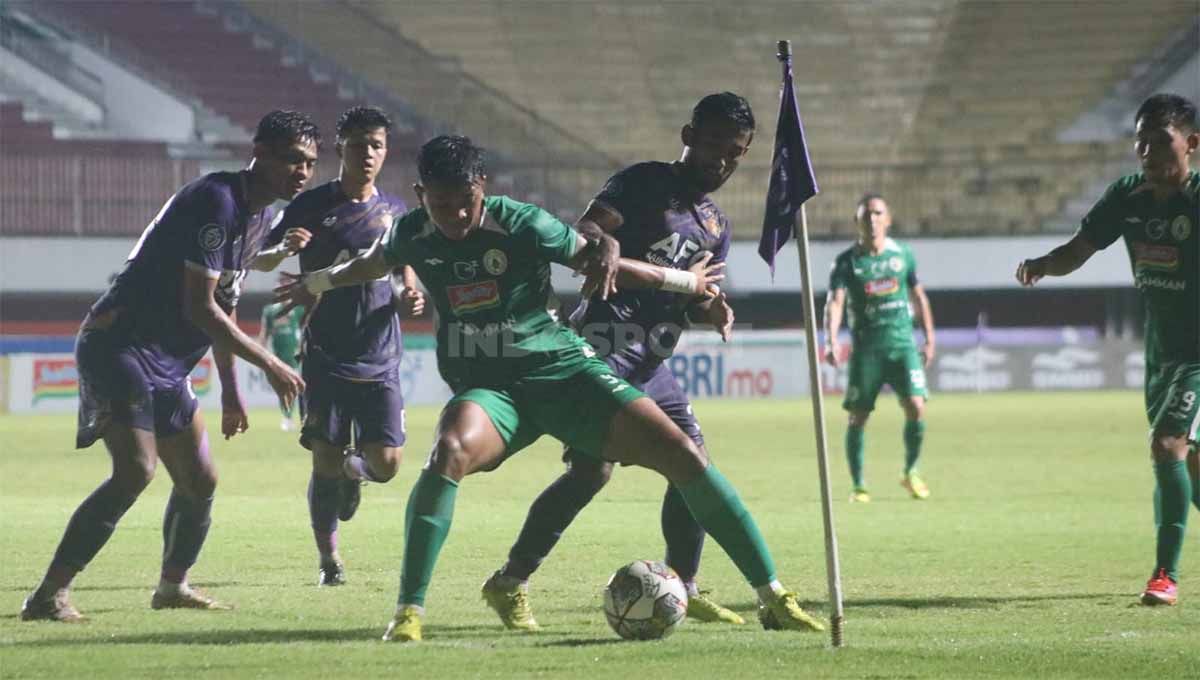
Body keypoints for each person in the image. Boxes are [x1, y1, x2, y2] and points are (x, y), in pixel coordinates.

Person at [275, 134, 826, 642]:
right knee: (448, 452)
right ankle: (408, 613)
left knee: (682, 455)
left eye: (464, 202)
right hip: (492, 390)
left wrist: (674, 277)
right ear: (421, 195)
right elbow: (373, 261)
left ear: (481, 189)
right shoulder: (412, 231)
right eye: (440, 204)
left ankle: (772, 597)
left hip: (562, 372)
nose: (454, 216)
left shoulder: (521, 223)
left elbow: (599, 258)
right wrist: (316, 282)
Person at [20, 110, 317, 622]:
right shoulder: (216, 200)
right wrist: (269, 362)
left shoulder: (258, 218)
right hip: (120, 344)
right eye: (293, 158)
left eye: (311, 162)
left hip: (166, 363)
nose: (303, 171)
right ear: (260, 151)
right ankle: (48, 595)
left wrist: (229, 389)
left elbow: (221, 303)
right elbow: (200, 307)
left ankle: (172, 586)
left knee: (200, 479)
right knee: (136, 469)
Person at [480, 92, 753, 632]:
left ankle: (683, 585)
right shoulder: (644, 181)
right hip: (602, 345)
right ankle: (510, 581)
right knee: (590, 474)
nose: (721, 159)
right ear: (688, 134)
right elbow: (589, 229)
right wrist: (603, 242)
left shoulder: (716, 225)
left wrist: (713, 305)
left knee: (692, 465)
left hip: (653, 361)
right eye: (714, 143)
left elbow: (693, 295)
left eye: (735, 151)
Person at [1017, 93, 1199, 606]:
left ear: (1192, 144)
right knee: (1190, 470)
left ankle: (1165, 575)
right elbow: (1080, 249)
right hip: (1162, 354)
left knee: (1167, 446)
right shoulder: (1127, 196)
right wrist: (1042, 264)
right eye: (1140, 141)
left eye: (1159, 142)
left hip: (1199, 357)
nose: (1146, 152)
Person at [255, 105, 423, 587]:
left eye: (377, 146)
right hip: (326, 354)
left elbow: (402, 265)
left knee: (387, 466)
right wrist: (286, 248)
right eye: (359, 145)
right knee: (322, 459)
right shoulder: (310, 204)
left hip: (381, 355)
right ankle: (330, 560)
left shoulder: (394, 211)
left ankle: (357, 473)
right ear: (340, 148)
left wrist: (411, 291)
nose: (368, 154)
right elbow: (260, 260)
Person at [823, 194, 936, 503]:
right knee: (858, 417)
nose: (872, 219)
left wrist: (929, 337)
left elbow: (919, 297)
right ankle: (859, 485)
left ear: (888, 219)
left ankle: (911, 471)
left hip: (902, 346)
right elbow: (835, 302)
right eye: (866, 215)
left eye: (877, 213)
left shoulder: (903, 255)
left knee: (916, 406)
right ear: (857, 222)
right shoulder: (847, 262)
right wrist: (830, 339)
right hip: (867, 351)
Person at [257, 278, 306, 431]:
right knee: (284, 388)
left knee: (301, 388)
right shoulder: (270, 311)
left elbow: (305, 329)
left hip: (297, 355)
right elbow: (264, 334)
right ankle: (287, 416)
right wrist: (260, 354)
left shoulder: (299, 309)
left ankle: (304, 417)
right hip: (278, 357)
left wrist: (303, 347)